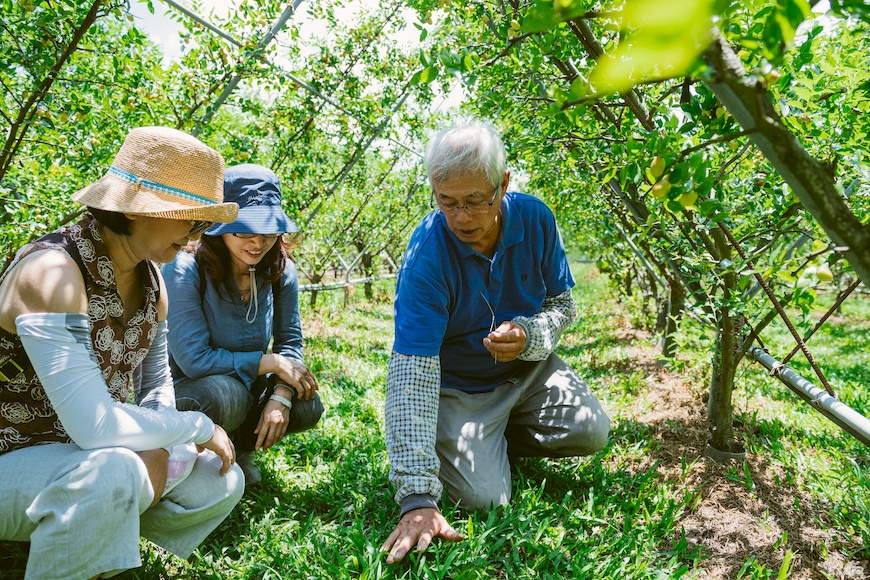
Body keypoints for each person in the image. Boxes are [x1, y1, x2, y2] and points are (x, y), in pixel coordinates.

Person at [0, 126, 246, 580]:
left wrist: (161, 440)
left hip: (82, 455)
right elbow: (96, 427)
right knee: (110, 472)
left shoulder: (153, 284)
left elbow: (156, 385)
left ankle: (90, 535)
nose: (198, 234)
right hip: (13, 455)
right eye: (192, 218)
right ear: (136, 210)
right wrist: (195, 426)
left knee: (222, 478)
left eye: (205, 223)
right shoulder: (53, 272)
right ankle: (84, 534)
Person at [380, 122, 611, 563]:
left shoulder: (536, 219)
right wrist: (416, 497)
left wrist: (530, 334)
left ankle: (497, 438)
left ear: (503, 184)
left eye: (474, 201)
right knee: (483, 498)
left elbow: (563, 307)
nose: (460, 217)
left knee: (591, 429)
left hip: (526, 372)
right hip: (461, 387)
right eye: (445, 201)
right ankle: (479, 439)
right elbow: (412, 371)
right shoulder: (427, 256)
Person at [162, 163, 322, 486]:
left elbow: (290, 340)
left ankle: (237, 451)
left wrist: (281, 394)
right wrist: (271, 363)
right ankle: (188, 458)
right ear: (220, 227)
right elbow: (194, 359)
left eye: (267, 231)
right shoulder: (185, 270)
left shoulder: (280, 270)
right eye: (243, 231)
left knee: (307, 402)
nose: (257, 243)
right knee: (225, 394)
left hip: (247, 388)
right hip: (193, 390)